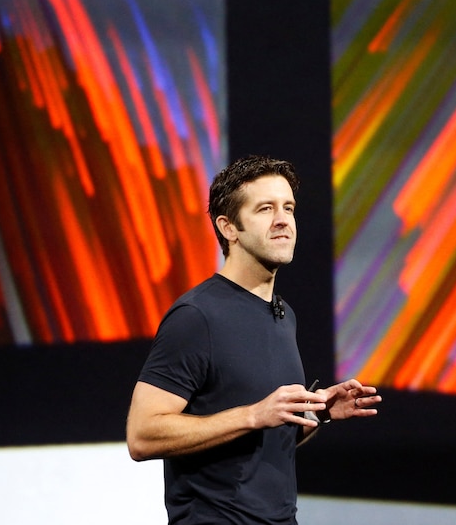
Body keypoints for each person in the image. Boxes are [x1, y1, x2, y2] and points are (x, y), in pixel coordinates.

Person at [126, 155, 381, 524]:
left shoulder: (283, 314)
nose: (283, 220)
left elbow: (263, 439)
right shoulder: (197, 317)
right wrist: (253, 414)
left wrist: (314, 413)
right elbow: (142, 435)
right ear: (229, 228)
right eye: (265, 209)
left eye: (288, 208)